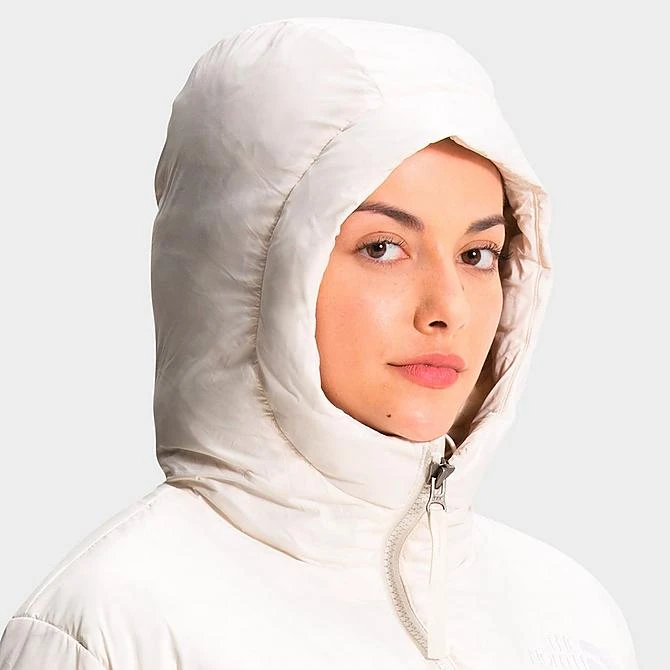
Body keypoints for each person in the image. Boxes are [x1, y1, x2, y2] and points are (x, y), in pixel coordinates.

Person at [0, 16, 639, 670]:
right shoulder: (111, 630)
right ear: (243, 274)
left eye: (478, 255)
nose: (448, 308)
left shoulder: (568, 617)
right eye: (383, 248)